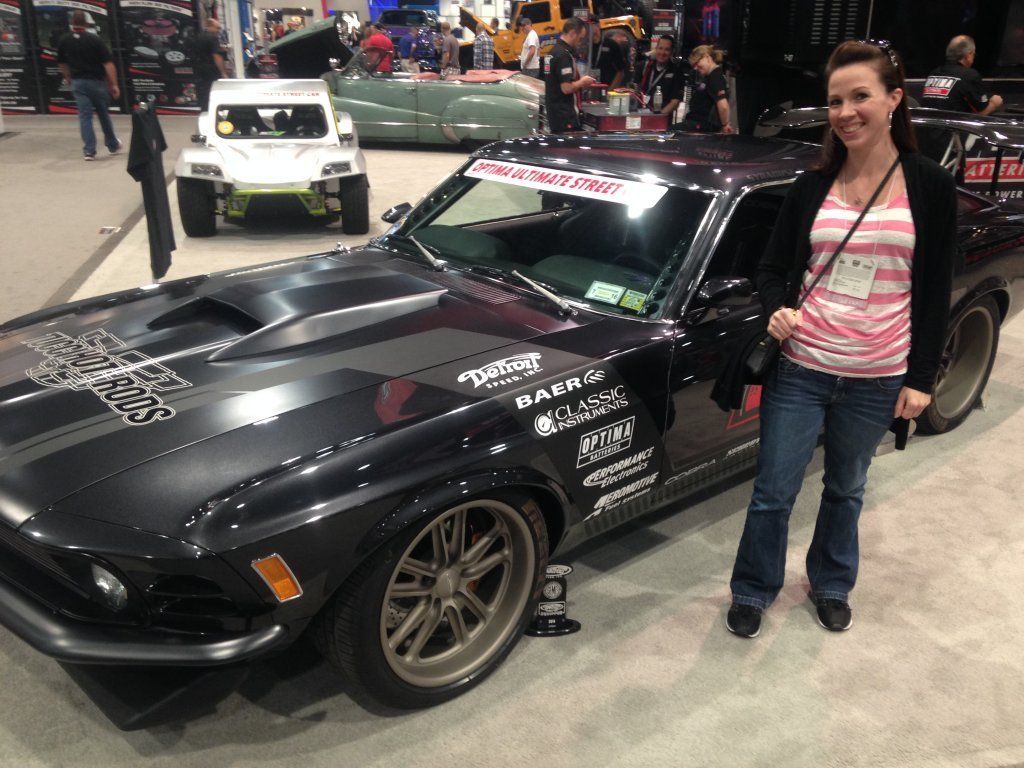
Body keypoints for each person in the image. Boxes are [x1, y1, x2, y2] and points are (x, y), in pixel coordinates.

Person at [724, 40, 956, 639]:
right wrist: (778, 309)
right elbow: (773, 268)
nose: (846, 111)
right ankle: (753, 588)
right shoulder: (812, 185)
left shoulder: (928, 185)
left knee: (847, 488)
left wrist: (921, 379)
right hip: (802, 366)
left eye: (860, 97)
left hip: (878, 371)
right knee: (774, 489)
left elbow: (934, 292)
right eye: (835, 101)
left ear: (894, 99)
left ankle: (830, 583)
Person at [56, 10, 121, 160]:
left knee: (85, 117)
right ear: (86, 23)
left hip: (78, 83)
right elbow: (108, 64)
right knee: (103, 114)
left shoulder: (64, 40)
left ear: (72, 23)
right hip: (97, 82)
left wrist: (68, 78)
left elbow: (62, 63)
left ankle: (89, 151)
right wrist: (114, 84)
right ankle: (112, 145)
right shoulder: (95, 40)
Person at [921, 35, 1003, 115]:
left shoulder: (933, 73)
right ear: (968, 55)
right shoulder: (969, 75)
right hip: (951, 127)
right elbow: (980, 114)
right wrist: (994, 104)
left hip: (926, 127)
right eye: (973, 54)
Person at [545, 17, 595, 133]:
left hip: (554, 114)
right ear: (572, 33)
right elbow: (566, 88)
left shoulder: (551, 52)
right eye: (580, 38)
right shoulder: (563, 55)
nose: (580, 42)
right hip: (564, 116)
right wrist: (583, 82)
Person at [681, 43, 732, 132]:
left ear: (707, 57)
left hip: (701, 126)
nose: (696, 68)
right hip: (696, 124)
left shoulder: (715, 76)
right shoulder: (710, 76)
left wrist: (725, 125)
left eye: (697, 63)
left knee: (671, 133)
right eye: (694, 66)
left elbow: (723, 106)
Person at [635, 35, 682, 118]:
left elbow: (675, 102)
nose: (662, 53)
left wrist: (658, 119)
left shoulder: (676, 71)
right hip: (641, 114)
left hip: (662, 118)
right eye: (660, 48)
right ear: (656, 49)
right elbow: (634, 90)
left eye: (667, 49)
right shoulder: (645, 66)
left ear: (672, 52)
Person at [193, 18, 228, 112]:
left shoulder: (197, 36)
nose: (218, 30)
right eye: (217, 28)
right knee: (213, 90)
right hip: (211, 69)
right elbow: (216, 56)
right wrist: (223, 73)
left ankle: (204, 110)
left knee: (202, 91)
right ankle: (213, 111)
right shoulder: (213, 38)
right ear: (210, 26)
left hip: (199, 68)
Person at [587, 22, 626, 88]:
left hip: (606, 87)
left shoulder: (611, 44)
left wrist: (611, 89)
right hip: (588, 87)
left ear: (597, 26)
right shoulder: (584, 46)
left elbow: (621, 71)